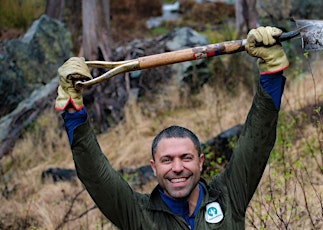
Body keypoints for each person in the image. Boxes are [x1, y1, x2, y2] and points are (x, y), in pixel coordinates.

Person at [55, 26, 289, 229]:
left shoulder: (228, 196)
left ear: (200, 161)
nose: (178, 168)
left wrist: (272, 73)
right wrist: (73, 112)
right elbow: (96, 175)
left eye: (186, 157)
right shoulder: (138, 215)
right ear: (154, 167)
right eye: (167, 160)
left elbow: (256, 142)